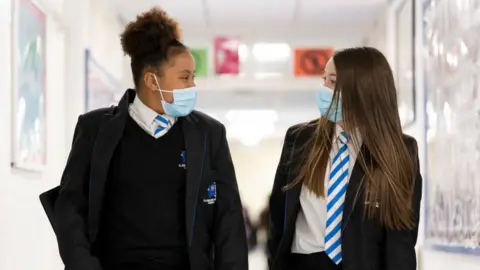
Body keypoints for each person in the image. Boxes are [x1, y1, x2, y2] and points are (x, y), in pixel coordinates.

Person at [40, 7, 248, 270]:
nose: (192, 87)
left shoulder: (208, 134)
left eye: (192, 77)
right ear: (151, 80)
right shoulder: (95, 129)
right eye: (185, 78)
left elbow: (228, 221)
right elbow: (71, 211)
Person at [267, 47, 422, 270]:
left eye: (333, 82)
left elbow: (401, 240)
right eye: (324, 81)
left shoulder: (400, 150)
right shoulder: (300, 138)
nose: (324, 90)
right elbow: (278, 218)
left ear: (363, 89)